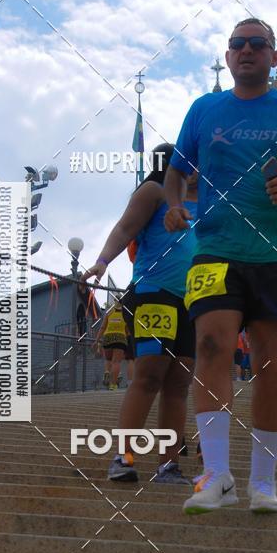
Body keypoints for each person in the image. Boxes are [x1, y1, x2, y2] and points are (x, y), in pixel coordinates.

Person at [164, 16, 277, 514]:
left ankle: (262, 483)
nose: (246, 51)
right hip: (215, 249)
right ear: (227, 56)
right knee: (211, 345)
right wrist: (174, 205)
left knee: (269, 362)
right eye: (238, 44)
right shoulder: (203, 110)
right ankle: (216, 475)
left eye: (257, 44)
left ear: (273, 57)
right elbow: (176, 171)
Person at [81, 143, 198, 485]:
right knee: (149, 374)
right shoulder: (154, 190)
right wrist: (102, 262)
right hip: (155, 293)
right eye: (190, 164)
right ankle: (123, 456)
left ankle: (169, 465)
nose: (196, 169)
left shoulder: (203, 196)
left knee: (179, 384)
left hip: (192, 299)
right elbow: (124, 229)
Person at [95, 299, 130, 390]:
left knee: (108, 359)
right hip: (120, 338)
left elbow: (103, 327)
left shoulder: (109, 313)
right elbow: (128, 330)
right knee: (116, 362)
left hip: (108, 338)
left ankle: (107, 371)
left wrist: (97, 340)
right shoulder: (126, 314)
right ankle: (113, 385)